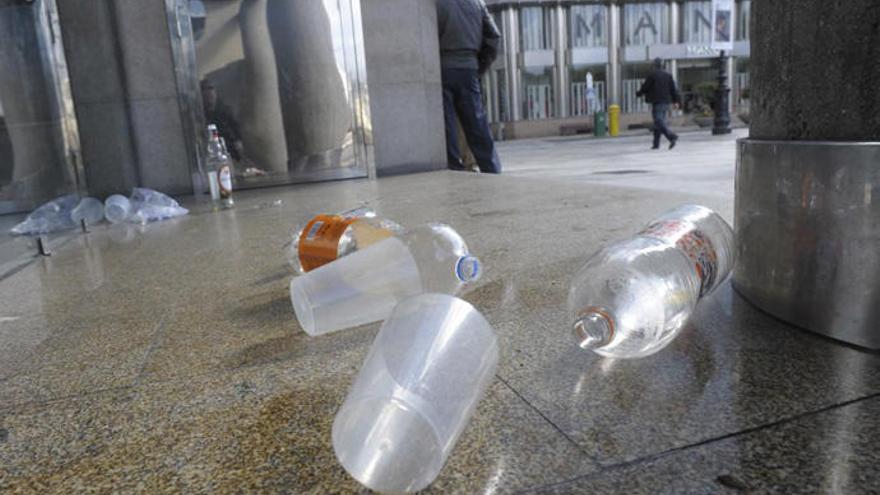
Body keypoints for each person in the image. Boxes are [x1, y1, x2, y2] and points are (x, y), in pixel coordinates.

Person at [436, 0, 502, 174]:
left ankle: (454, 169)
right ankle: (491, 168)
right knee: (477, 123)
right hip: (469, 69)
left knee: (447, 123)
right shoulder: (477, 3)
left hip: (443, 68)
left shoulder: (435, 4)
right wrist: (479, 66)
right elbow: (493, 37)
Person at [636, 58, 681, 150]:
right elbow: (673, 90)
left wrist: (639, 93)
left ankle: (671, 136)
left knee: (658, 121)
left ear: (655, 65)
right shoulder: (668, 75)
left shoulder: (652, 75)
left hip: (657, 101)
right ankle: (656, 144)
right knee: (659, 122)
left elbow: (645, 87)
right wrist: (676, 101)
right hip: (666, 102)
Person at [201, 80, 245, 161]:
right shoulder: (200, 113)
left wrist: (238, 140)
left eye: (211, 89)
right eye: (206, 90)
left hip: (229, 146)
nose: (210, 93)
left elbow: (235, 125)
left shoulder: (225, 109)